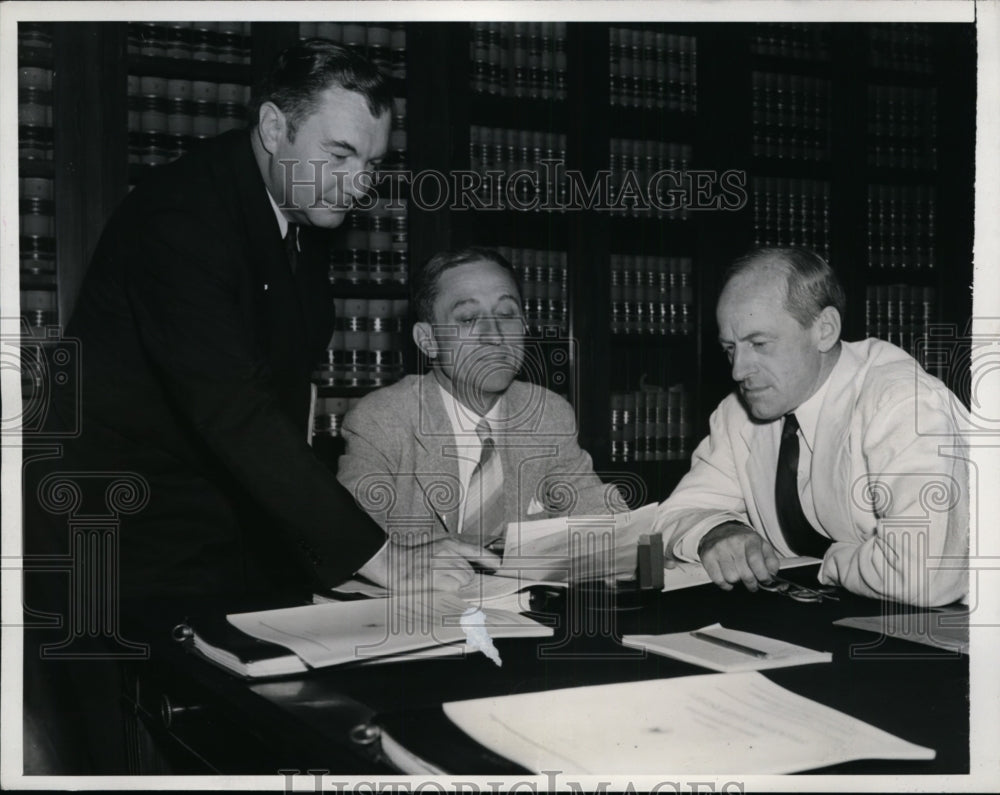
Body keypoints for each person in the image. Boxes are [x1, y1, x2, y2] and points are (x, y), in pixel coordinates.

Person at [20, 40, 474, 773]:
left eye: (372, 163)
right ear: (272, 126)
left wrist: (337, 562)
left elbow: (283, 409)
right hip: (107, 540)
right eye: (339, 154)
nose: (359, 184)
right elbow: (235, 414)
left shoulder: (298, 211)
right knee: (124, 764)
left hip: (209, 528)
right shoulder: (182, 216)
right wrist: (386, 561)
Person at [653, 247, 968, 607]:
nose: (738, 370)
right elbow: (672, 515)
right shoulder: (738, 412)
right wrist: (718, 531)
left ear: (825, 330)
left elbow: (923, 576)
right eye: (730, 349)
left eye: (759, 343)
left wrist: (830, 564)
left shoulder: (902, 402)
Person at [337, 247, 621, 587]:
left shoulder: (547, 413)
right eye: (469, 319)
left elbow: (597, 514)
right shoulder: (382, 419)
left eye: (507, 314)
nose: (495, 335)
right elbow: (349, 537)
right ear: (428, 340)